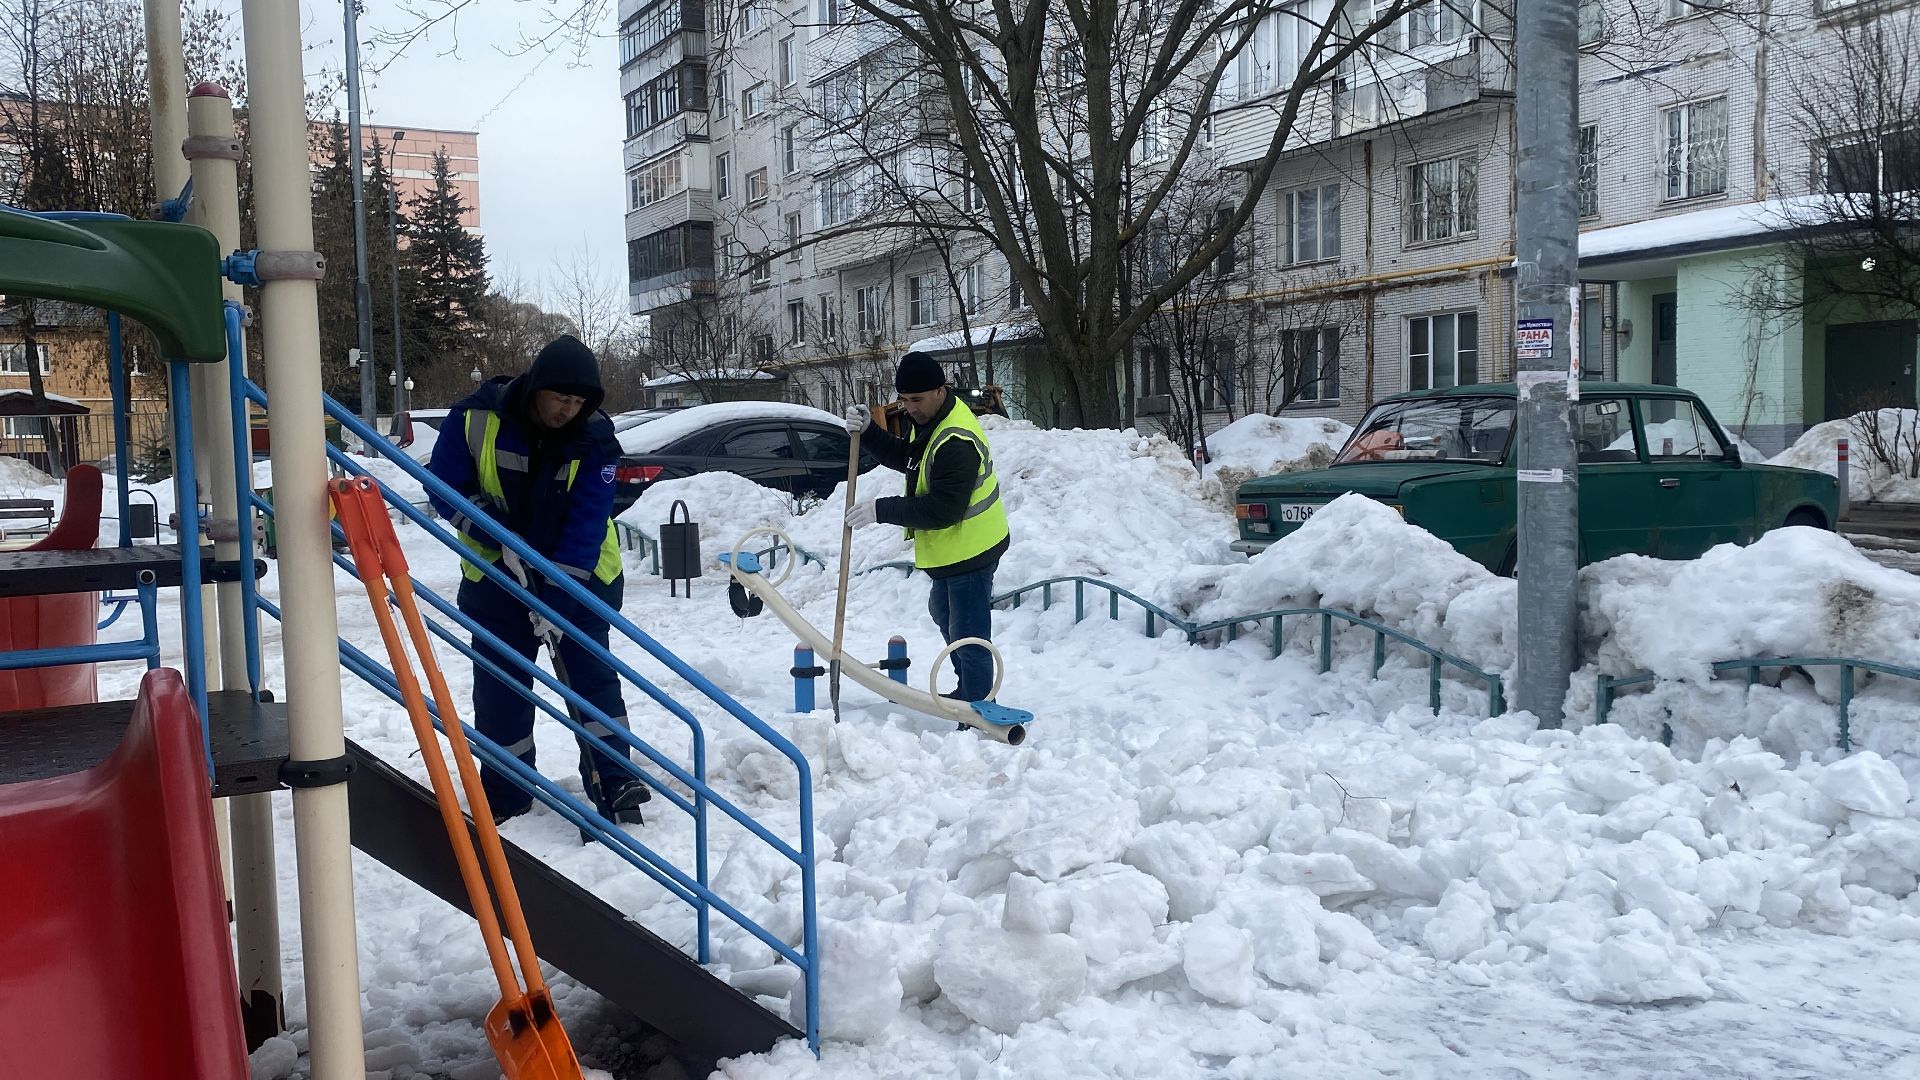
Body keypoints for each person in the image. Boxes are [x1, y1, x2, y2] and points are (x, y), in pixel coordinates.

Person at [427, 334, 649, 830]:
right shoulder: (474, 418)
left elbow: (588, 521)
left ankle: (615, 781)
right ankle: (507, 791)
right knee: (501, 684)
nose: (568, 410)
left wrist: (555, 597)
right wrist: (494, 533)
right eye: (560, 399)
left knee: (590, 678)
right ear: (537, 389)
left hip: (583, 578)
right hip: (494, 579)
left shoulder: (597, 439)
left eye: (578, 403)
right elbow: (443, 486)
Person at [842, 350, 1011, 703]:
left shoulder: (955, 439)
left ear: (940, 390)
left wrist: (880, 510)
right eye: (903, 400)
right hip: (954, 548)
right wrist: (870, 431)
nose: (910, 408)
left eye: (916, 399)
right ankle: (970, 691)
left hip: (972, 548)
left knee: (968, 633)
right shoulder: (934, 419)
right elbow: (910, 458)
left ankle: (978, 706)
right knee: (945, 615)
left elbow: (943, 508)